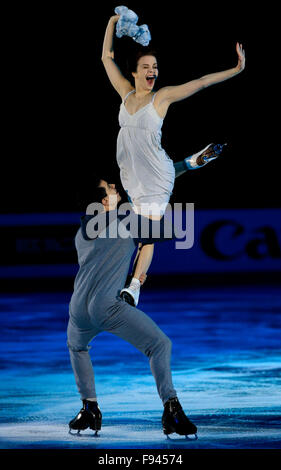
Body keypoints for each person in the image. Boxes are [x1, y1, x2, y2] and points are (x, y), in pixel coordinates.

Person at [101, 14, 243, 306]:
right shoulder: (125, 94)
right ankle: (192, 162)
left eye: (155, 67)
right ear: (135, 73)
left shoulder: (161, 98)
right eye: (146, 67)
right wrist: (114, 21)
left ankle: (134, 287)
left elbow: (201, 82)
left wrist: (236, 69)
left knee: (148, 234)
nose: (152, 71)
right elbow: (106, 57)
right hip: (132, 175)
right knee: (140, 226)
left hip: (154, 176)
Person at [67, 177, 197, 438]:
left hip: (78, 309)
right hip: (107, 306)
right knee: (160, 345)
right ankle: (171, 407)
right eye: (111, 189)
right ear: (105, 201)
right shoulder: (125, 220)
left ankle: (89, 408)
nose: (116, 188)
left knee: (78, 347)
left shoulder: (82, 231)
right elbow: (171, 231)